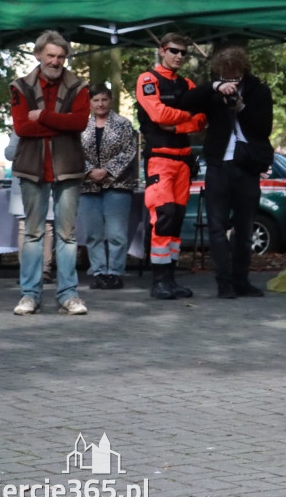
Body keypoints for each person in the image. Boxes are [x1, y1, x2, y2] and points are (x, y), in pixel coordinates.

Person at [173, 46, 274, 299]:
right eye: (226, 76)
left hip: (247, 167)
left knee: (244, 226)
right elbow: (185, 101)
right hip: (219, 166)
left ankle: (242, 281)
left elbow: (264, 128)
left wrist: (241, 107)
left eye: (235, 76)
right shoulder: (213, 91)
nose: (232, 81)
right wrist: (215, 87)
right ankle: (224, 283)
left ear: (243, 71)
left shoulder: (259, 91)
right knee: (216, 227)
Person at [10, 30, 90, 316]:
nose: (56, 62)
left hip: (67, 167)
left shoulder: (79, 86)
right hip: (32, 167)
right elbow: (22, 128)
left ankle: (68, 295)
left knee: (67, 235)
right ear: (38, 56)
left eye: (61, 57)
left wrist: (42, 116)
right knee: (33, 233)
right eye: (51, 56)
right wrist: (62, 123)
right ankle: (29, 295)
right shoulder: (20, 86)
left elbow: (80, 122)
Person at [136, 33, 207, 300]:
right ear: (162, 51)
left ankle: (171, 277)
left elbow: (201, 119)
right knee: (163, 217)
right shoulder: (148, 79)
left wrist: (177, 123)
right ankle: (159, 280)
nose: (178, 56)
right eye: (174, 51)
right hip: (160, 159)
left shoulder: (187, 84)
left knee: (176, 219)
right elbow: (157, 114)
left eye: (183, 53)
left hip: (184, 160)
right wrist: (186, 116)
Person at [80, 84, 138, 290]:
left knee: (116, 234)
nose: (100, 104)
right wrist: (90, 171)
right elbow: (74, 152)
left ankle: (115, 272)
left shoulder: (123, 124)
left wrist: (107, 171)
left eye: (104, 99)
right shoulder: (81, 126)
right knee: (93, 234)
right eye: (95, 100)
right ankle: (99, 273)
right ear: (89, 103)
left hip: (118, 184)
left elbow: (129, 151)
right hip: (88, 186)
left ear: (110, 100)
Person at [6, 134, 56, 283]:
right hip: (24, 179)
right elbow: (9, 154)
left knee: (46, 227)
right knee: (25, 227)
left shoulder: (52, 122)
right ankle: (27, 271)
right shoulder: (20, 127)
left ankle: (44, 270)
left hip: (47, 178)